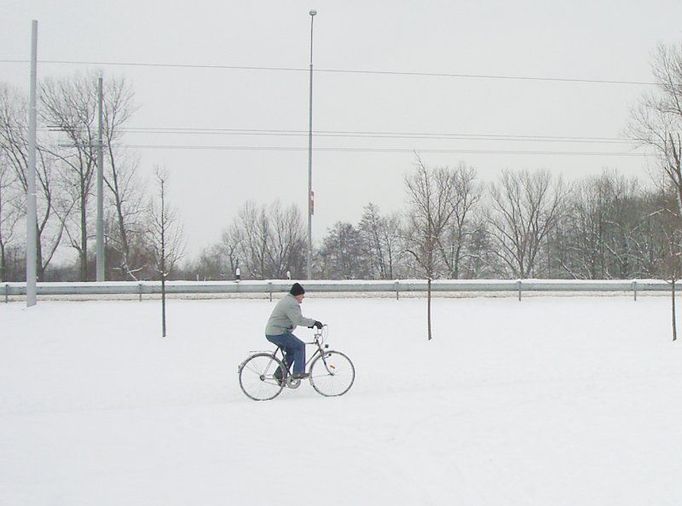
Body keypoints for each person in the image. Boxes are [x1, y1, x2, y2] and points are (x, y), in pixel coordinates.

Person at [265, 282, 323, 381]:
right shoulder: (291, 303)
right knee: (300, 346)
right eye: (302, 295)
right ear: (297, 294)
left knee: (291, 351)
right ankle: (298, 372)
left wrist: (309, 324)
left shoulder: (288, 300)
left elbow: (293, 319)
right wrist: (313, 323)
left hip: (274, 331)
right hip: (278, 332)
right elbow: (298, 320)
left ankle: (279, 375)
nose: (303, 298)